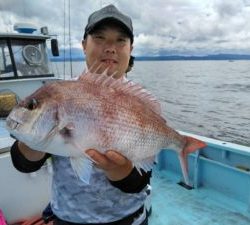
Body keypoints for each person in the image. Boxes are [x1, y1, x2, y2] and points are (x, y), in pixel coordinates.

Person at [10, 4, 151, 225]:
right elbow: (24, 163)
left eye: (120, 40)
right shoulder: (58, 94)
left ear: (131, 48)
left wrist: (120, 170)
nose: (110, 48)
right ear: (84, 45)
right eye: (100, 38)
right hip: (68, 218)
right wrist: (34, 140)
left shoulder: (141, 103)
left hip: (129, 219)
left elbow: (140, 181)